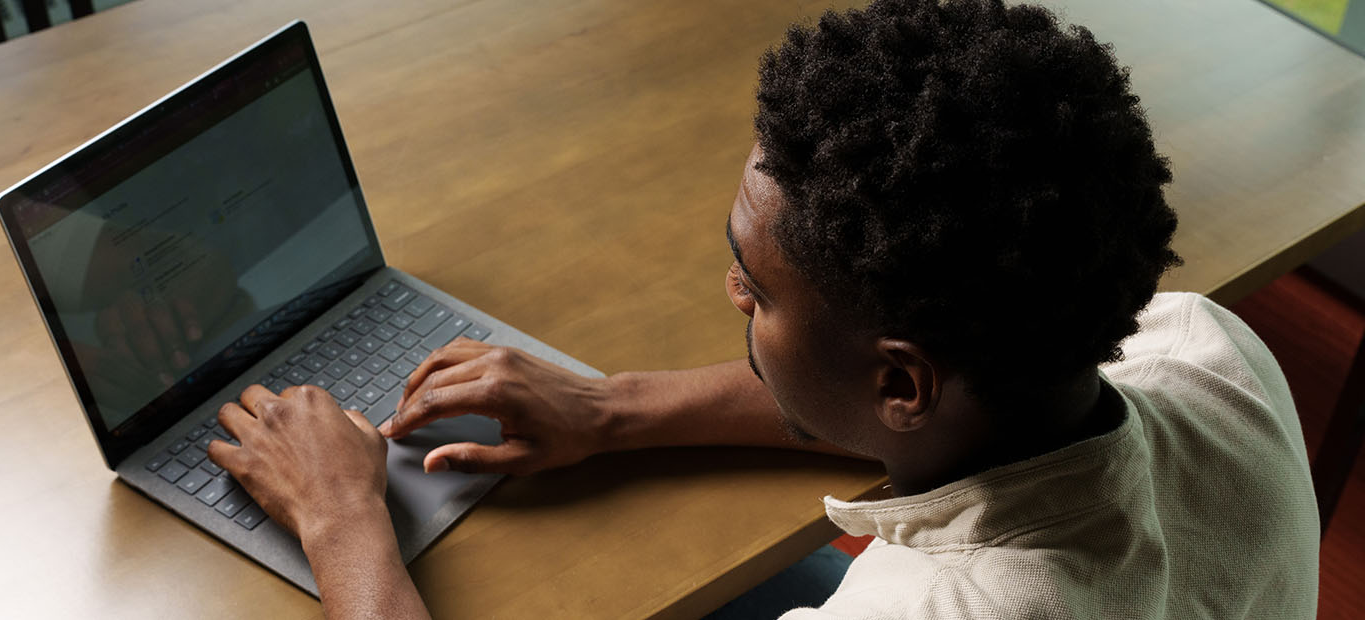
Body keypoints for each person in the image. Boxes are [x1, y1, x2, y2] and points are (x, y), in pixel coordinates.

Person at [205, 0, 1321, 617]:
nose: (731, 289)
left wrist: (346, 525)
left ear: (900, 380)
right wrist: (613, 409)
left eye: (757, 278)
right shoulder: (1211, 350)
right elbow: (953, 412)